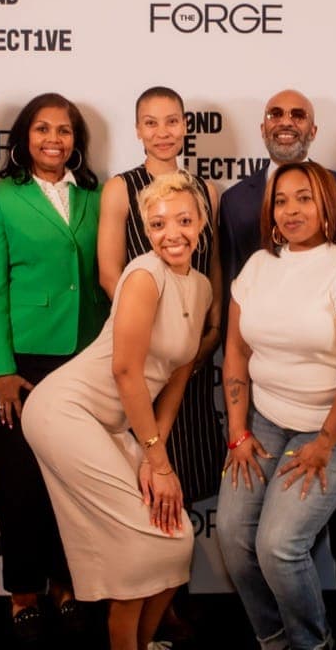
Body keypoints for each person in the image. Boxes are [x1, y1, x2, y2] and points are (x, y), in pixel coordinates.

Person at [22, 171, 211, 650]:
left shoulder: (203, 288)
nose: (173, 233)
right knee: (139, 547)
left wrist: (157, 453)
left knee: (177, 537)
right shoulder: (144, 275)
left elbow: (177, 379)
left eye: (184, 220)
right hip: (64, 411)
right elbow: (127, 372)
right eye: (158, 224)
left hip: (112, 424)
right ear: (146, 230)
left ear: (202, 222)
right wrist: (157, 461)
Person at [217, 161, 336, 650]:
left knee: (278, 546)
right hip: (267, 419)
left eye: (304, 198)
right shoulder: (257, 266)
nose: (291, 210)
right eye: (281, 200)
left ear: (327, 205)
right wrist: (238, 431)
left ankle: (312, 643)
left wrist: (325, 442)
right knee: (232, 537)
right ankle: (274, 638)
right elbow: (236, 352)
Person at [0, 93, 108, 645]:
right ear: (23, 137)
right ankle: (23, 590)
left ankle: (65, 581)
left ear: (78, 140)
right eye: (43, 129)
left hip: (85, 357)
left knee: (71, 482)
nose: (55, 139)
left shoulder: (96, 198)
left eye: (65, 130)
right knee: (20, 483)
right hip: (21, 361)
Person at [96, 85, 224, 508]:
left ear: (186, 126)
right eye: (151, 123)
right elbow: (109, 274)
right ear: (137, 130)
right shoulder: (120, 188)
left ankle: (178, 568)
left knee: (189, 464)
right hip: (145, 351)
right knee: (145, 468)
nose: (162, 132)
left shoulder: (207, 190)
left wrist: (213, 326)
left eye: (171, 121)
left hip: (195, 350)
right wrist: (154, 333)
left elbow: (213, 266)